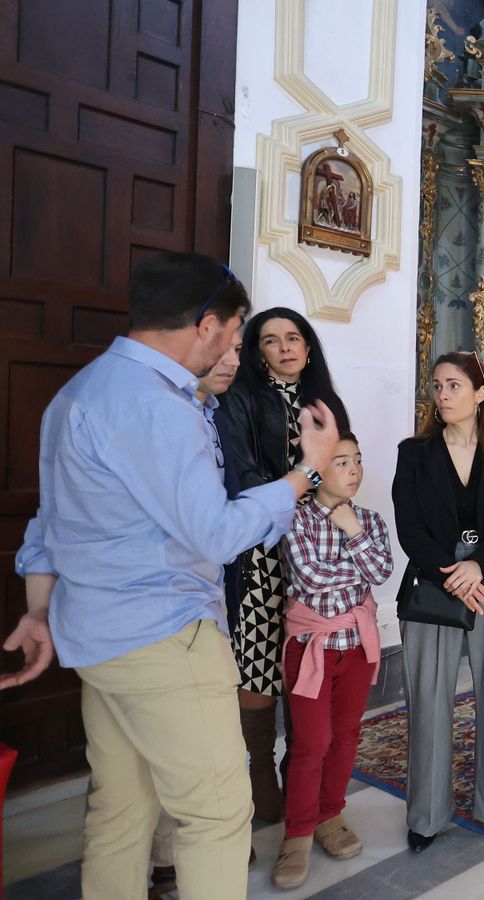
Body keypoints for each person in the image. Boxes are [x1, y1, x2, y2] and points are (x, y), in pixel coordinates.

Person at [5, 251, 339, 899]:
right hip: (164, 639)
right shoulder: (158, 407)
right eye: (238, 331)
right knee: (216, 816)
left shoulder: (83, 389)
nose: (237, 348)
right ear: (206, 324)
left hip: (97, 637)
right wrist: (307, 472)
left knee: (121, 813)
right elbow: (213, 533)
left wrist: (38, 612)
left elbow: (50, 525)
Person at [391, 351, 484, 853]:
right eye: (437, 386)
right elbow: (410, 527)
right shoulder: (414, 453)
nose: (443, 395)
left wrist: (477, 567)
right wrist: (454, 574)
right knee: (428, 699)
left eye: (453, 385)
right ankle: (426, 815)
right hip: (433, 585)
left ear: (479, 393)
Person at [218, 306, 349, 823]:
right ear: (257, 352)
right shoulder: (242, 398)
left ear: (309, 347)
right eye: (271, 341)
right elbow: (245, 477)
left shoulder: (326, 402)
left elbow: (343, 466)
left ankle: (302, 777)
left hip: (315, 545)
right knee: (258, 662)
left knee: (305, 664)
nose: (286, 347)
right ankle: (259, 781)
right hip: (261, 549)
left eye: (294, 338)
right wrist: (304, 484)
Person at [273, 432, 393, 888]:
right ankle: (298, 833)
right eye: (342, 462)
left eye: (358, 460)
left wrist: (353, 530)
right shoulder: (295, 518)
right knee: (311, 742)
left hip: (357, 648)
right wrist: (355, 555)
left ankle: (331, 816)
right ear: (317, 470)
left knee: (345, 735)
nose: (354, 470)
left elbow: (382, 572)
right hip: (312, 649)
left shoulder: (370, 519)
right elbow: (312, 577)